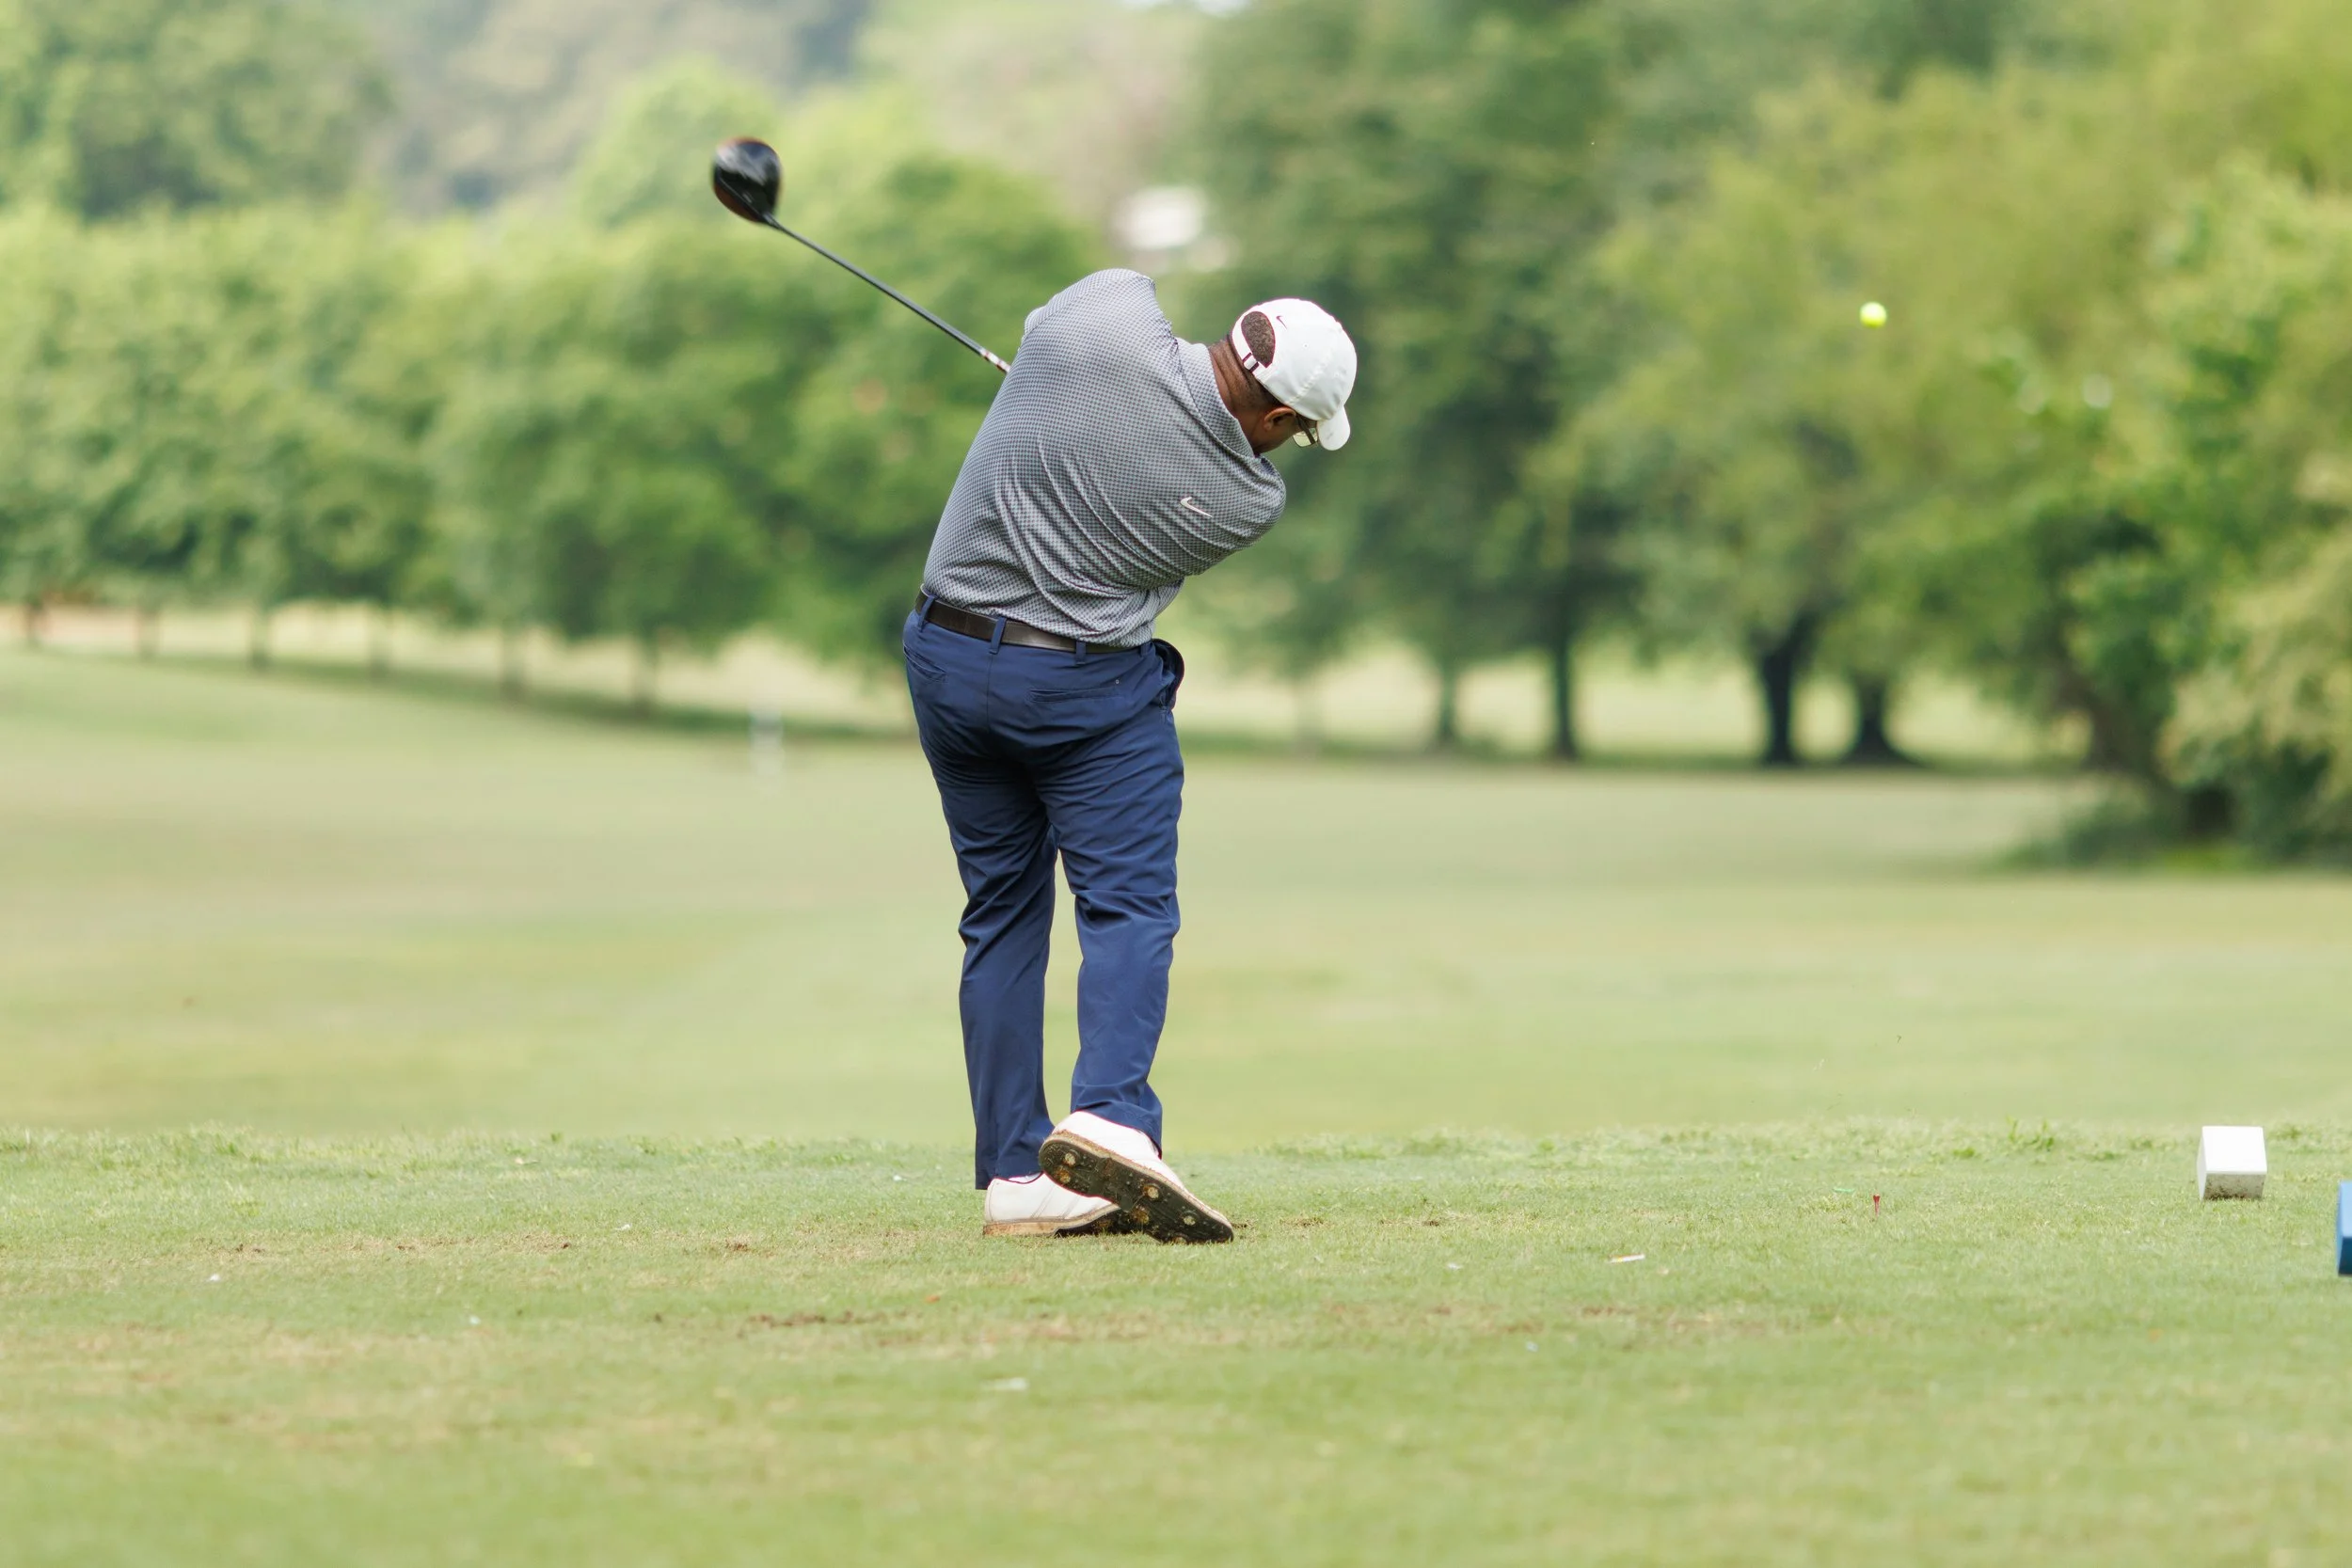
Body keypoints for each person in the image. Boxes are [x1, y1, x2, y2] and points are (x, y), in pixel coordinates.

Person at [903, 269, 1358, 1242]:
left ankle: (1015, 1174)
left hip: (944, 657)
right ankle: (1111, 1119)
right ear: (1278, 416)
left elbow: (1051, 332)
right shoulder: (1248, 497)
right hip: (1079, 694)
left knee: (1000, 916)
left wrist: (1052, 390)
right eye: (1297, 431)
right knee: (1127, 903)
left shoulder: (1104, 312)